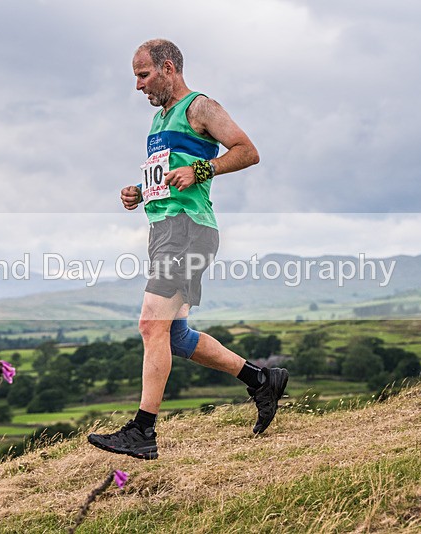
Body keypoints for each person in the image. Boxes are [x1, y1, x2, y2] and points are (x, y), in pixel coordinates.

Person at [87, 39, 288, 460]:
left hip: (188, 231)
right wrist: (140, 192)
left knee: (150, 326)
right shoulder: (159, 122)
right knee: (174, 335)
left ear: (167, 68)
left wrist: (200, 169)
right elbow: (168, 177)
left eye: (143, 76)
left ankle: (142, 431)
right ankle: (260, 380)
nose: (138, 86)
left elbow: (247, 151)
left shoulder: (200, 107)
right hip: (165, 229)